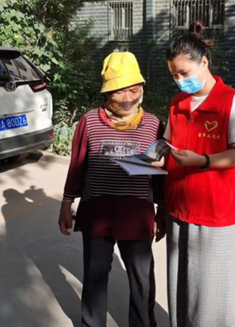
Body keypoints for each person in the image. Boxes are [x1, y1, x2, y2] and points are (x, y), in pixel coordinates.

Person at [58, 51, 165, 327]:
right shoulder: (89, 122)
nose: (127, 98)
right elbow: (77, 165)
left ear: (142, 88)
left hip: (137, 214)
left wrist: (161, 211)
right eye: (119, 91)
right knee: (94, 277)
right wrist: (66, 203)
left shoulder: (153, 125)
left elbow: (158, 176)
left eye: (133, 90)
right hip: (97, 212)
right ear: (107, 92)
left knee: (141, 280)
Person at [163, 22, 235, 327]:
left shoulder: (231, 101)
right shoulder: (177, 104)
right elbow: (168, 144)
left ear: (204, 62)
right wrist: (152, 158)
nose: (179, 80)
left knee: (209, 294)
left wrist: (202, 160)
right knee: (179, 286)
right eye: (174, 75)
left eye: (184, 73)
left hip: (213, 212)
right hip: (177, 208)